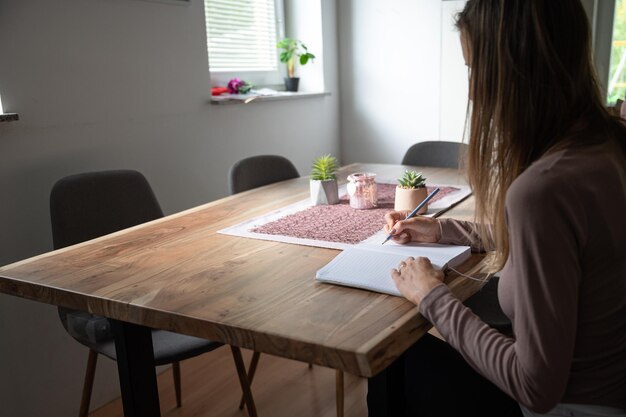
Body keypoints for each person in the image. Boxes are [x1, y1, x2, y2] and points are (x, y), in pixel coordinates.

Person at [368, 1, 626, 416]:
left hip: (571, 407)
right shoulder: (607, 144)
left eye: (473, 70)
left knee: (393, 363)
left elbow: (536, 387)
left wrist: (433, 296)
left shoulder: (543, 188)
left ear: (512, 71)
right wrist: (443, 229)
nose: (472, 91)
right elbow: (566, 244)